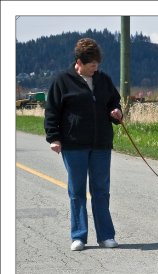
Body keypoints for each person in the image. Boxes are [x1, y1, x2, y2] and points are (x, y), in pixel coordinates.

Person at [44, 38, 123, 251]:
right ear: (79, 62)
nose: (95, 68)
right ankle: (78, 236)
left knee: (101, 191)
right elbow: (52, 111)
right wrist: (54, 137)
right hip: (73, 145)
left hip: (101, 145)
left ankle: (106, 236)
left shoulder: (103, 80)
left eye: (97, 64)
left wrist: (117, 113)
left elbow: (114, 103)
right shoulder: (62, 81)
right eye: (91, 65)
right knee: (77, 191)